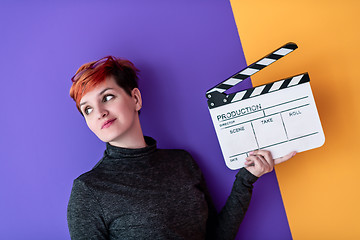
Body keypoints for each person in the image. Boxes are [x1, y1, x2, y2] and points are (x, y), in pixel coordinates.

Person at [67, 56, 296, 240]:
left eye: (107, 97)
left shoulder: (181, 161)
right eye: (87, 109)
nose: (99, 112)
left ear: (135, 98)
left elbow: (217, 235)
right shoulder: (89, 190)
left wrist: (246, 178)